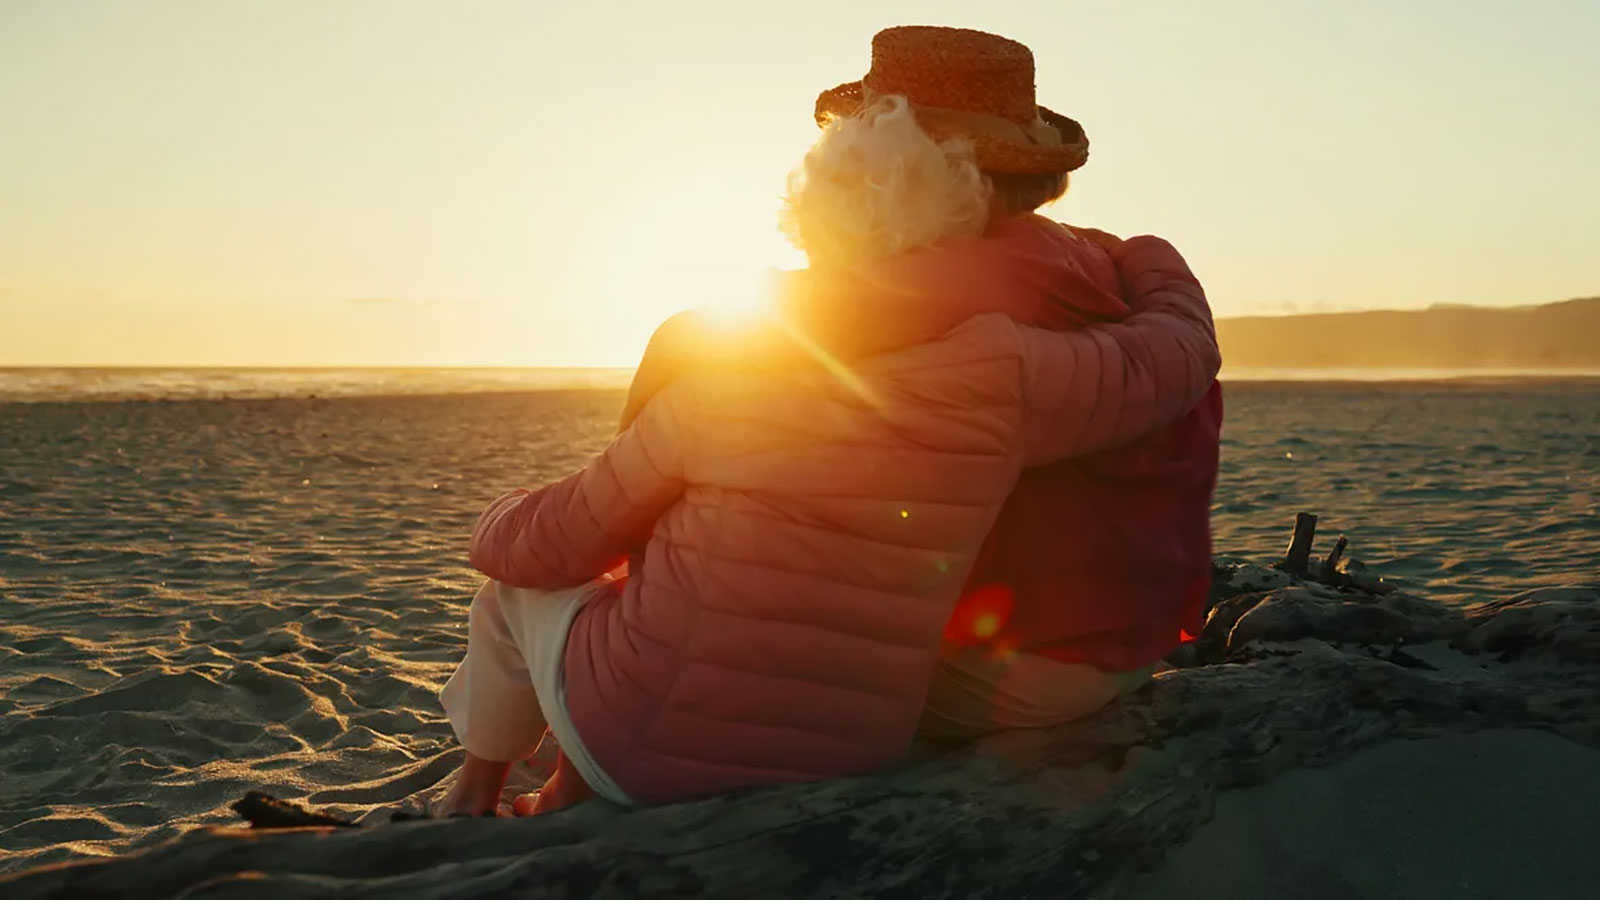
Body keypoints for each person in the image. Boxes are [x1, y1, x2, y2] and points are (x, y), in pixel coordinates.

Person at [434, 25, 1221, 817]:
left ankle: (494, 794)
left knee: (572, 568)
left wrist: (497, 520)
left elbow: (564, 537)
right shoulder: (1060, 301)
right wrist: (1154, 258)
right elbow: (1176, 355)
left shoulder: (751, 341)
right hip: (1115, 649)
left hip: (998, 674)